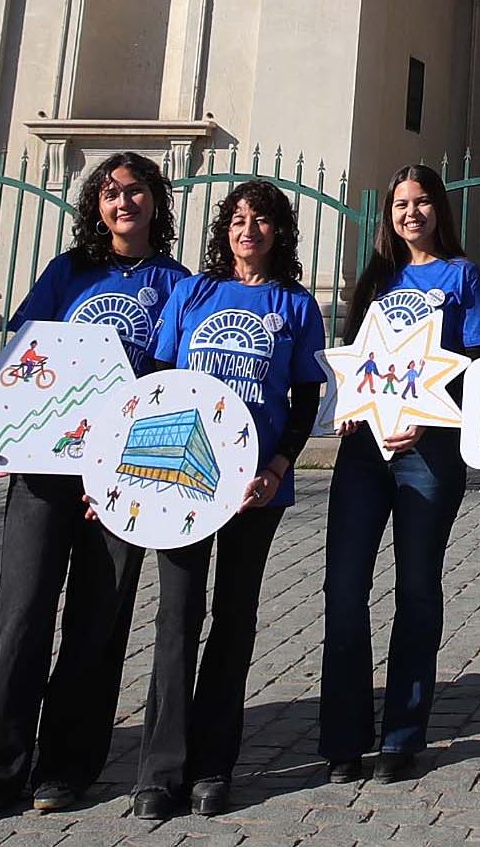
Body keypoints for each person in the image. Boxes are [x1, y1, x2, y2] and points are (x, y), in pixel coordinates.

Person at [0, 151, 188, 821]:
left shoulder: (176, 284)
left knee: (96, 621)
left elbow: (173, 384)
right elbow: (20, 349)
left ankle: (66, 767)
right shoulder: (68, 271)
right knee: (22, 612)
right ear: (96, 206)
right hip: (42, 465)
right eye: (110, 193)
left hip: (121, 477)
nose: (122, 203)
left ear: (155, 203)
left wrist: (138, 467)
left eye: (135, 191)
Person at [138, 181, 328, 819]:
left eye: (263, 220)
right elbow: (155, 384)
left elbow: (305, 399)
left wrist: (277, 467)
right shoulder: (193, 293)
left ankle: (213, 767)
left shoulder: (296, 305)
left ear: (280, 232)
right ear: (226, 229)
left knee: (234, 620)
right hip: (181, 481)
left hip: (255, 488)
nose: (249, 230)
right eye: (239, 219)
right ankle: (160, 772)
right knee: (176, 620)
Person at [321, 164, 480, 785]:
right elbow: (353, 362)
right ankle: (343, 738)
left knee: (417, 591)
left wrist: (425, 414)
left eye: (422, 202)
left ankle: (401, 735)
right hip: (364, 456)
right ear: (388, 214)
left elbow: (476, 363)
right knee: (344, 592)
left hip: (429, 452)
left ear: (439, 211)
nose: (411, 213)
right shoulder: (375, 279)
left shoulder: (461, 274)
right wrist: (349, 408)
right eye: (400, 204)